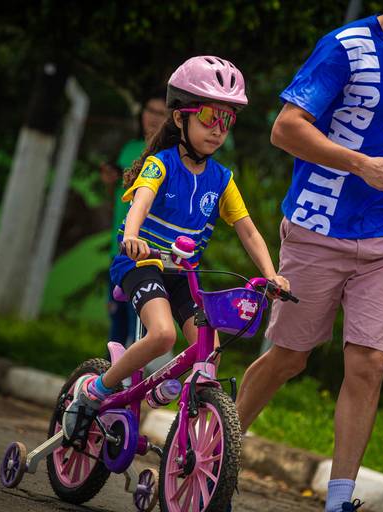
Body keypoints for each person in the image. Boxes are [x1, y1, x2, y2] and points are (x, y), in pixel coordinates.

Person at [233, 1, 383, 510]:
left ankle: (339, 499)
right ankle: (218, 447)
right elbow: (285, 128)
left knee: (370, 363)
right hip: (319, 223)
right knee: (289, 358)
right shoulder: (346, 47)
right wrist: (360, 164)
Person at [63, 55, 290, 441]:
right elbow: (140, 203)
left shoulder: (222, 179)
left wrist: (271, 275)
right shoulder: (160, 164)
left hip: (183, 274)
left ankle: (178, 416)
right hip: (141, 265)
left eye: (227, 120)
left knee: (210, 349)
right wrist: (132, 237)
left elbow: (248, 231)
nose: (218, 130)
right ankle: (95, 392)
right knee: (163, 335)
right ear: (181, 118)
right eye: (209, 117)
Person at [99, 90, 167, 348]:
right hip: (120, 246)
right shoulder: (130, 148)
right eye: (150, 111)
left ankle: (133, 370)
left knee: (139, 325)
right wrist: (111, 178)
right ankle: (111, 370)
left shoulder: (167, 154)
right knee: (116, 321)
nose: (153, 118)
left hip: (147, 251)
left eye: (160, 113)